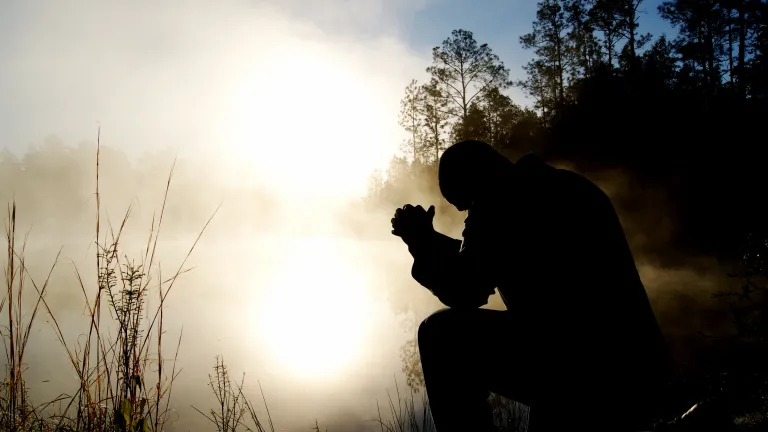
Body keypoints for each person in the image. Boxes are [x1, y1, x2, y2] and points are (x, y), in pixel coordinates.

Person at [391, 140, 675, 432]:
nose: (468, 216)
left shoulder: (500, 200)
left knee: (440, 336)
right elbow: (481, 258)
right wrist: (431, 240)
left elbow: (466, 289)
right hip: (636, 364)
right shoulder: (563, 185)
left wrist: (421, 241)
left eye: (468, 204)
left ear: (475, 179)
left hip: (581, 367)